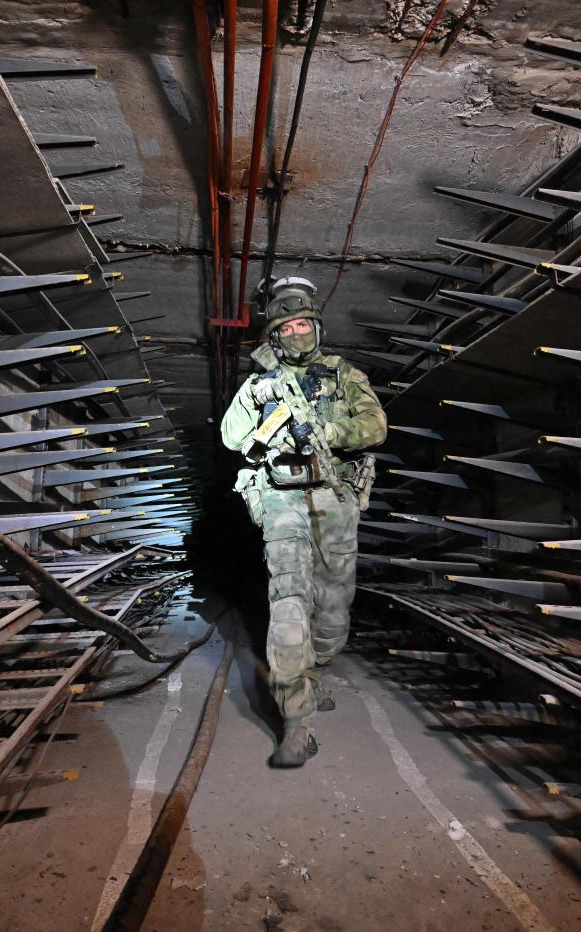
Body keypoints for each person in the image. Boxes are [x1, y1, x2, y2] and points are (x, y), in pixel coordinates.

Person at [220, 277, 387, 767]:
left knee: (334, 610)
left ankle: (316, 674)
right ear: (275, 336)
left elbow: (376, 426)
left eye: (303, 324)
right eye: (286, 327)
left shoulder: (343, 374)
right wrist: (258, 399)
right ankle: (297, 722)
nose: (296, 333)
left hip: (335, 499)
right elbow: (232, 439)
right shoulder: (259, 382)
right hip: (282, 502)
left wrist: (331, 431)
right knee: (289, 602)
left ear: (317, 327)